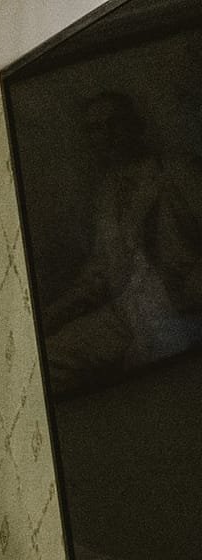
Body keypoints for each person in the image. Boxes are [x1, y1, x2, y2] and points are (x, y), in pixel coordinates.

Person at [40, 90, 202, 396]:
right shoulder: (106, 194)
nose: (106, 136)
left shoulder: (178, 172)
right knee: (51, 357)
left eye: (114, 124)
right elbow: (101, 273)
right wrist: (51, 315)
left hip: (182, 309)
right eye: (96, 130)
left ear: (135, 126)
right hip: (127, 314)